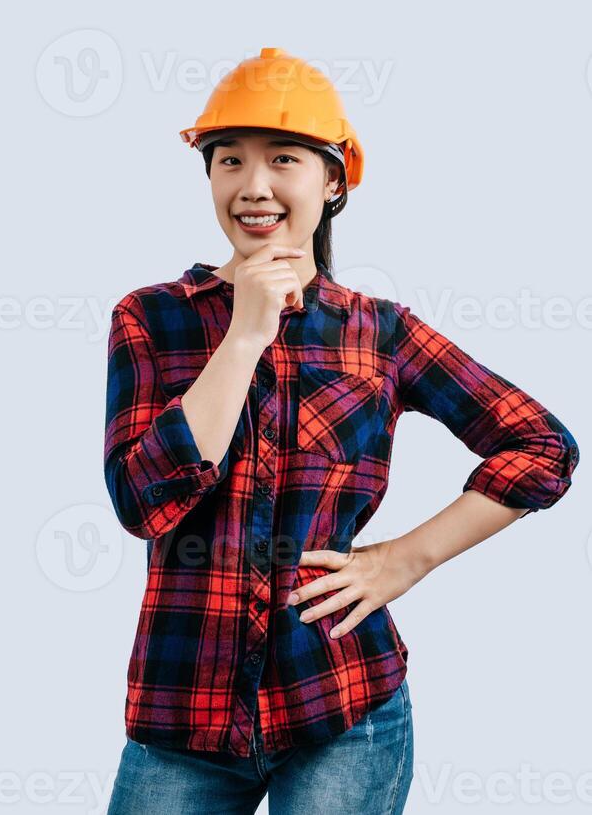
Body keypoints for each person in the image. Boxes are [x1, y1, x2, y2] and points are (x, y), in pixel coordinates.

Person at [103, 48, 580, 814]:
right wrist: (244, 336)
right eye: (229, 161)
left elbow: (543, 448)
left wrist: (403, 561)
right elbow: (140, 503)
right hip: (181, 714)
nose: (252, 186)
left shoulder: (380, 335)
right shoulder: (150, 318)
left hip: (342, 709)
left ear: (333, 181)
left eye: (282, 159)